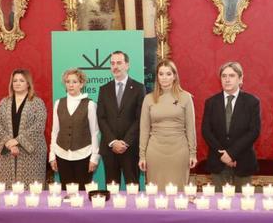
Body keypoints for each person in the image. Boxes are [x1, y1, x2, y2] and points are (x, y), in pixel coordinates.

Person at [201, 61, 261, 191]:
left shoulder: (252, 102)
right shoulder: (211, 102)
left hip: (243, 160)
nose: (227, 79)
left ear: (240, 79)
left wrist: (232, 154)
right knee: (220, 206)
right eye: (224, 76)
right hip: (218, 161)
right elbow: (206, 131)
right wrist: (223, 155)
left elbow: (254, 131)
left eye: (232, 75)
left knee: (244, 206)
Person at [138, 59, 197, 189]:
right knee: (156, 195)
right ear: (157, 77)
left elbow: (191, 128)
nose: (164, 78)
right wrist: (142, 156)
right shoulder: (148, 99)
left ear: (175, 76)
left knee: (179, 194)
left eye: (168, 74)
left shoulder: (185, 97)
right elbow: (144, 129)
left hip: (179, 152)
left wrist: (193, 153)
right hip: (155, 152)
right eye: (161, 74)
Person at [97, 51, 145, 186]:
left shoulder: (138, 88)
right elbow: (101, 118)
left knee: (133, 189)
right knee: (111, 190)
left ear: (127, 65)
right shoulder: (104, 89)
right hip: (110, 148)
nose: (115, 67)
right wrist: (113, 142)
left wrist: (125, 142)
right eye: (112, 63)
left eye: (119, 63)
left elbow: (140, 118)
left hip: (130, 148)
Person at [0, 69, 48, 184]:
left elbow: (38, 126)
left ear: (28, 84)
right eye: (15, 81)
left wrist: (17, 141)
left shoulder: (37, 102)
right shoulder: (4, 102)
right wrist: (9, 143)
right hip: (8, 151)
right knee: (10, 194)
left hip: (32, 153)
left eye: (22, 81)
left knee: (32, 191)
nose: (17, 83)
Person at [49, 68, 99, 188]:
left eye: (74, 82)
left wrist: (94, 157)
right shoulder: (58, 103)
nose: (71, 85)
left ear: (81, 84)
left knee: (82, 192)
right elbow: (55, 131)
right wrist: (52, 155)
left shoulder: (90, 105)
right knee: (66, 192)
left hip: (84, 155)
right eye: (68, 81)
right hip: (62, 155)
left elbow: (95, 133)